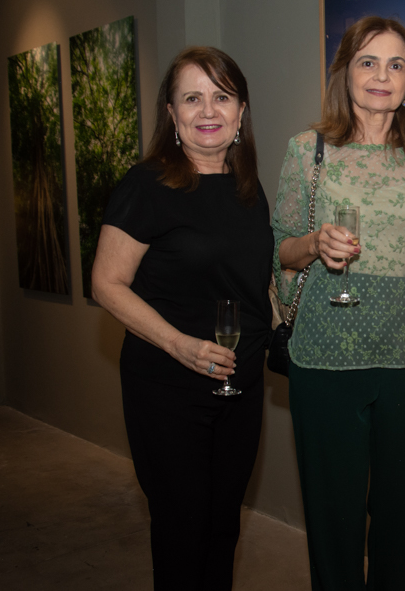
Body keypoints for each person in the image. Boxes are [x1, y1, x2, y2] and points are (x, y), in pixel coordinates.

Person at [92, 47, 273, 590]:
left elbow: (246, 276)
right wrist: (179, 345)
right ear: (171, 114)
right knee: (181, 531)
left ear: (241, 112)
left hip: (239, 388)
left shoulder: (248, 190)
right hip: (168, 388)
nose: (208, 109)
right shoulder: (147, 186)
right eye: (192, 97)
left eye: (221, 96)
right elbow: (105, 284)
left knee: (223, 530)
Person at [272, 16, 405, 590]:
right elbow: (279, 252)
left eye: (396, 65)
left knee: (400, 524)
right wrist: (315, 244)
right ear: (344, 75)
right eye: (368, 62)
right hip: (325, 361)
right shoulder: (307, 152)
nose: (381, 76)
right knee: (334, 523)